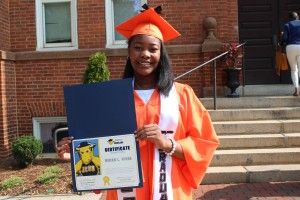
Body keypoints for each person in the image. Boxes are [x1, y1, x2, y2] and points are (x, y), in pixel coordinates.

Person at [56, 4, 219, 200]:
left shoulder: (182, 95)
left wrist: (166, 143)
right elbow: (99, 149)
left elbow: (204, 144)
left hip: (171, 191)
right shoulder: (110, 99)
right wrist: (75, 153)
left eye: (153, 49)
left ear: (161, 54)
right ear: (128, 52)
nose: (145, 54)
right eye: (138, 48)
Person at [280, 11, 300, 96]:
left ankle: (296, 90)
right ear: (297, 17)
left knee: (294, 69)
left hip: (291, 47)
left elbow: (285, 38)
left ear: (290, 18)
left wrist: (281, 41)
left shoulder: (287, 25)